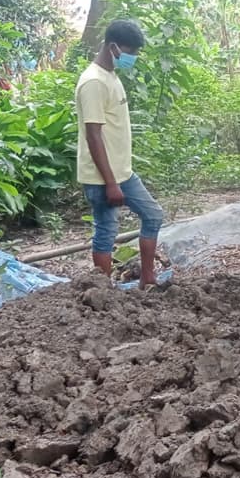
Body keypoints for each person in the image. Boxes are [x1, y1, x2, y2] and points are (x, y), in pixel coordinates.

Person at [75, 19, 164, 288]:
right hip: (104, 177)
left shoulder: (110, 76)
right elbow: (93, 135)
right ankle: (104, 290)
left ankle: (147, 278)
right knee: (106, 230)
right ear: (113, 47)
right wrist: (111, 183)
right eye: (131, 51)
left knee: (153, 216)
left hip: (122, 171)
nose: (133, 58)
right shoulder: (93, 83)